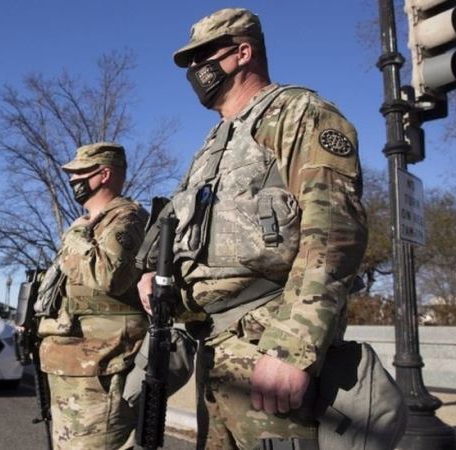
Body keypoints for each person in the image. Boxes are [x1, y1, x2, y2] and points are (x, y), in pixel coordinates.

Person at [136, 8, 368, 450]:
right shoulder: (213, 145)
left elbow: (336, 231)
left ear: (244, 52)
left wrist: (292, 347)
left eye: (203, 56)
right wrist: (156, 275)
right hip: (215, 350)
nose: (194, 70)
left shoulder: (299, 113)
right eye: (189, 62)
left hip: (268, 343)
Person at [38, 142, 149, 450]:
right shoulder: (91, 223)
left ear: (104, 174)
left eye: (79, 173)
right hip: (71, 367)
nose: (73, 180)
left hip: (101, 372)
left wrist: (74, 236)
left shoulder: (127, 218)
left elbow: (107, 275)